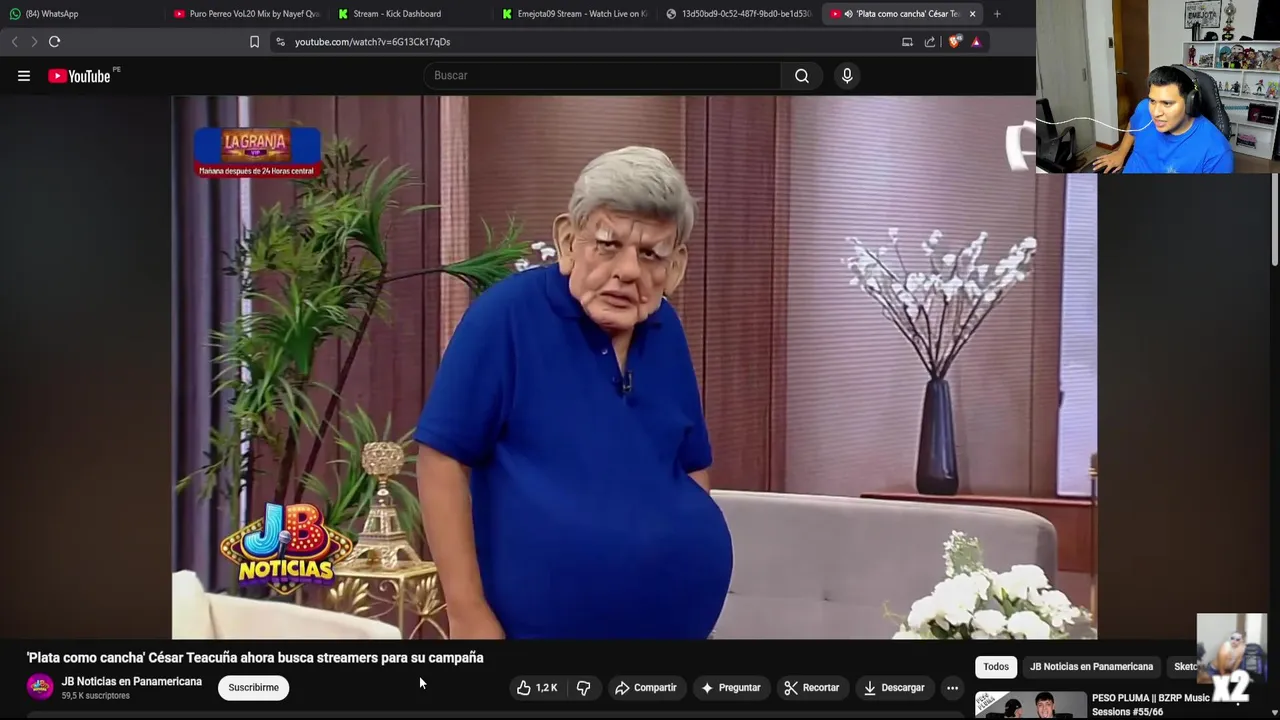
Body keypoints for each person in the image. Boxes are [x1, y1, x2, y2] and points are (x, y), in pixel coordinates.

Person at [414, 146, 733, 640]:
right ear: (567, 240)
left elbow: (690, 464)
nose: (628, 270)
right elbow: (441, 461)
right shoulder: (505, 317)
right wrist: (467, 613)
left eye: (650, 254)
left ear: (676, 267)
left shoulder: (665, 328)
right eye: (608, 245)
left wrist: (678, 558)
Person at [1092, 66, 1234, 174]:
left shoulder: (1217, 152)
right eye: (1153, 101)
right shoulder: (1144, 108)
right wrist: (1121, 153)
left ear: (1191, 103)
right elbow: (1133, 125)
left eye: (1167, 103)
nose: (1155, 113)